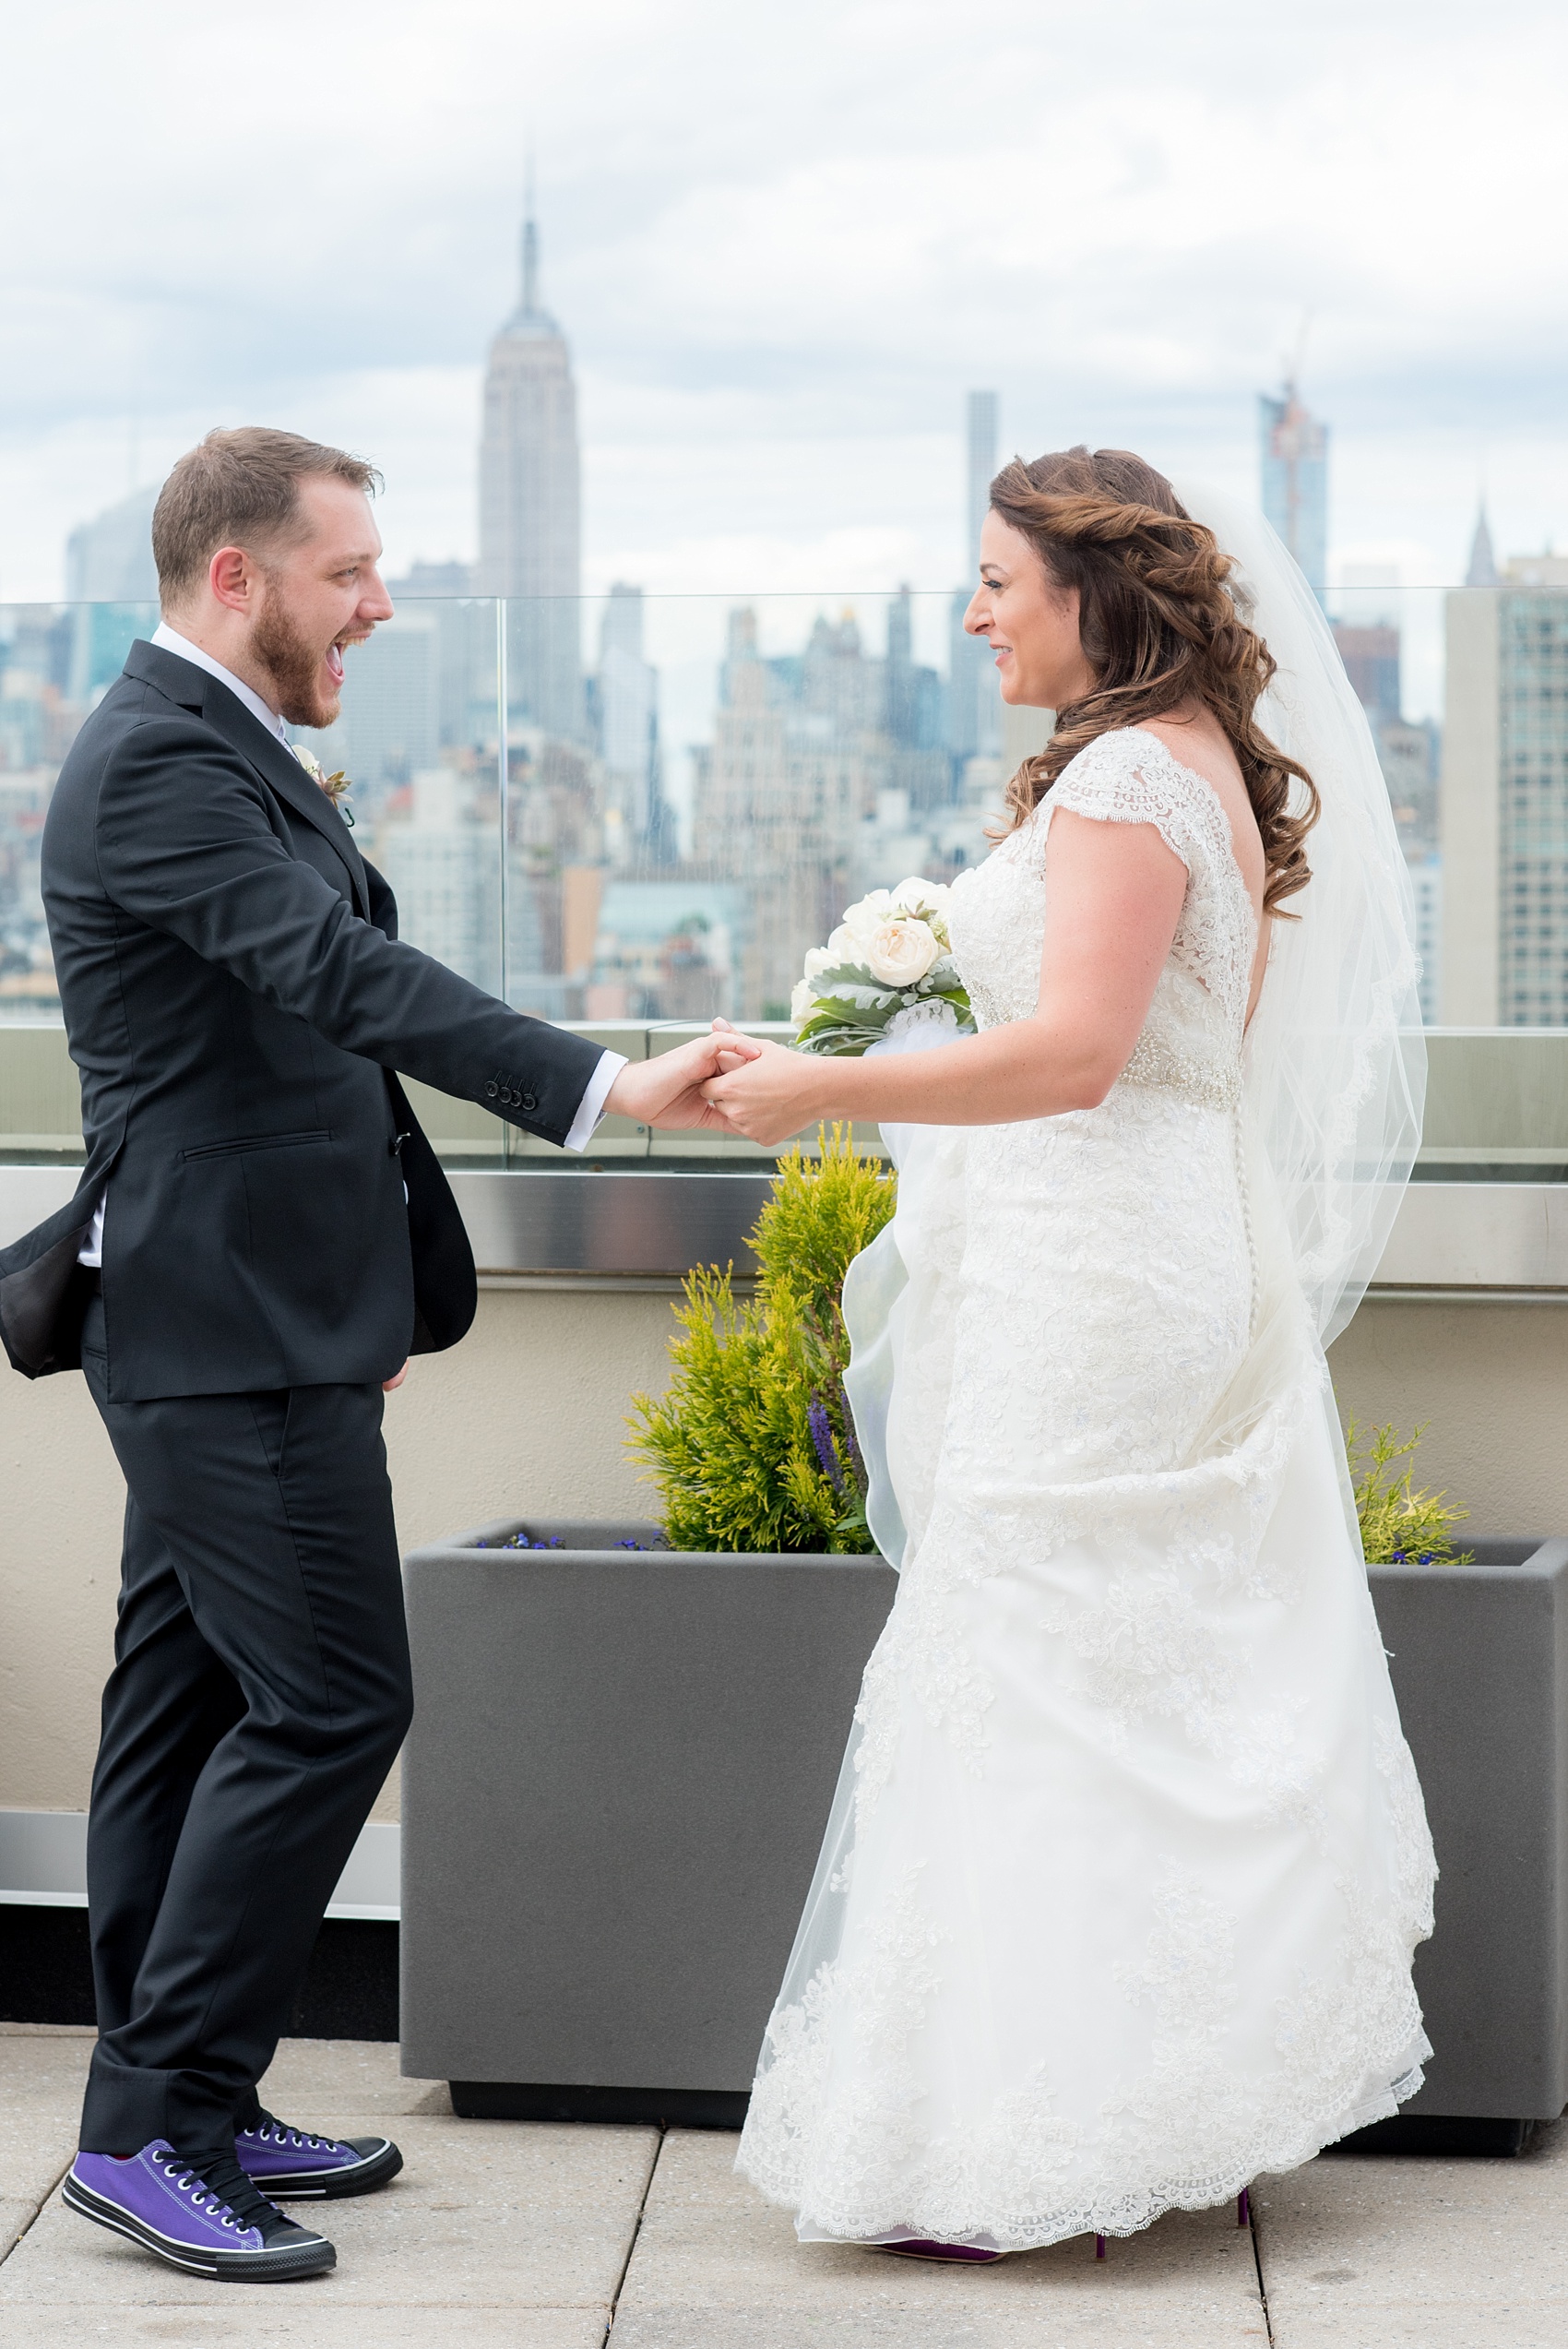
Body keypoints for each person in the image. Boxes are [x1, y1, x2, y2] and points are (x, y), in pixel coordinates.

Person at [0, 427, 756, 2284]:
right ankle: (151, 2126)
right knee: (333, 1697)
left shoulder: (220, 746)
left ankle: (195, 2088)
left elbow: (288, 1049)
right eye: (350, 572)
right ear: (235, 576)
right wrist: (596, 1083)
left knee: (180, 1718)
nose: (382, 600)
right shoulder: (153, 767)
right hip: (218, 1327)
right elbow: (344, 986)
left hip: (255, 1310)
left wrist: (368, 1279)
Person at [707, 447, 1436, 2259]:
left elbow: (1078, 1054)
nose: (970, 616)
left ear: (1092, 595)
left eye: (994, 582)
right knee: (1141, 1666)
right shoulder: (1195, 765)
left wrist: (832, 1078)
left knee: (1037, 1656)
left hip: (1094, 1264)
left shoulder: (1124, 775)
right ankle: (1172, 2103)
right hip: (1149, 1238)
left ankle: (1034, 2139)